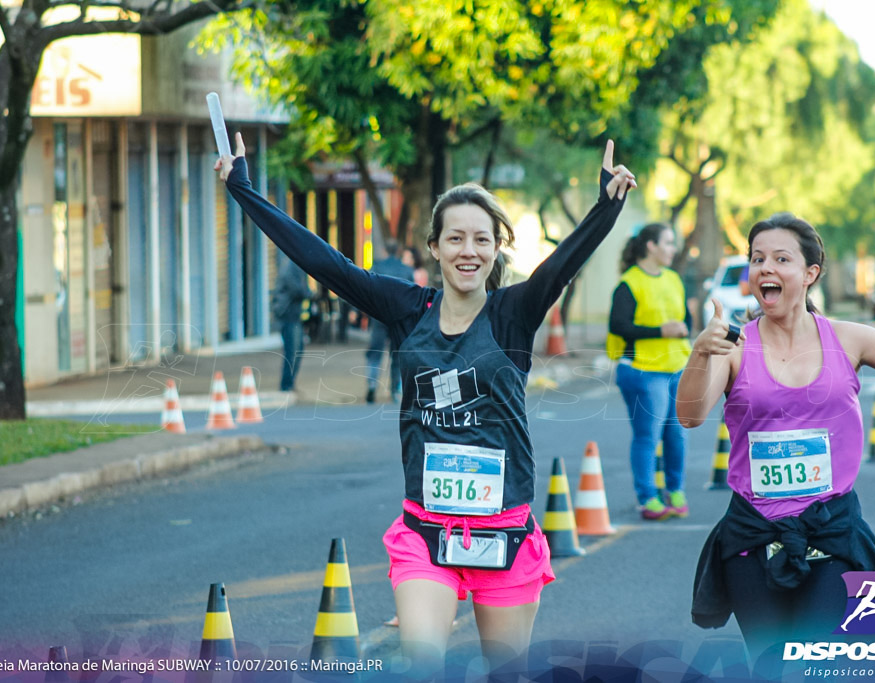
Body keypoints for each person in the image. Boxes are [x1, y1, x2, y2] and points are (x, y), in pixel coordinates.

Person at [216, 134, 636, 673]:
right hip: (427, 532)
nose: (469, 251)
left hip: (503, 534)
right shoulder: (406, 309)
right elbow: (325, 262)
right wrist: (244, 190)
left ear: (495, 249)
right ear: (434, 248)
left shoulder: (514, 313)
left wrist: (607, 206)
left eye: (481, 240)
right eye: (455, 238)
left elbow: (562, 263)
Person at [675, 212, 875, 663]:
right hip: (753, 537)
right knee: (772, 664)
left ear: (810, 273)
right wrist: (700, 352)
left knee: (827, 662)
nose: (765, 268)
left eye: (780, 258)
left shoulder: (850, 339)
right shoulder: (733, 347)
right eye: (757, 259)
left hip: (833, 532)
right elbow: (691, 415)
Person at [606, 223, 691, 520]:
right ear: (651, 247)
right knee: (648, 436)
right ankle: (647, 497)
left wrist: (682, 329)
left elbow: (686, 320)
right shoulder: (629, 283)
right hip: (642, 370)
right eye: (668, 242)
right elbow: (618, 325)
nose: (673, 248)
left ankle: (675, 490)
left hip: (675, 368)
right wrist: (660, 331)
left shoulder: (674, 279)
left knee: (677, 435)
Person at [365, 242, 415, 404]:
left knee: (375, 352)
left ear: (385, 250)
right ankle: (395, 390)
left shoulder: (377, 267)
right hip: (399, 317)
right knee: (397, 355)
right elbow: (411, 295)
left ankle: (372, 385)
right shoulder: (406, 270)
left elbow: (368, 289)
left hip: (379, 315)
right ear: (399, 251)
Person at [271, 257, 311, 395]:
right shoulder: (291, 266)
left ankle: (290, 383)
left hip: (294, 315)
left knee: (297, 349)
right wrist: (308, 293)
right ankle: (286, 385)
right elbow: (298, 289)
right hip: (288, 315)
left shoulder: (296, 265)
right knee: (292, 351)